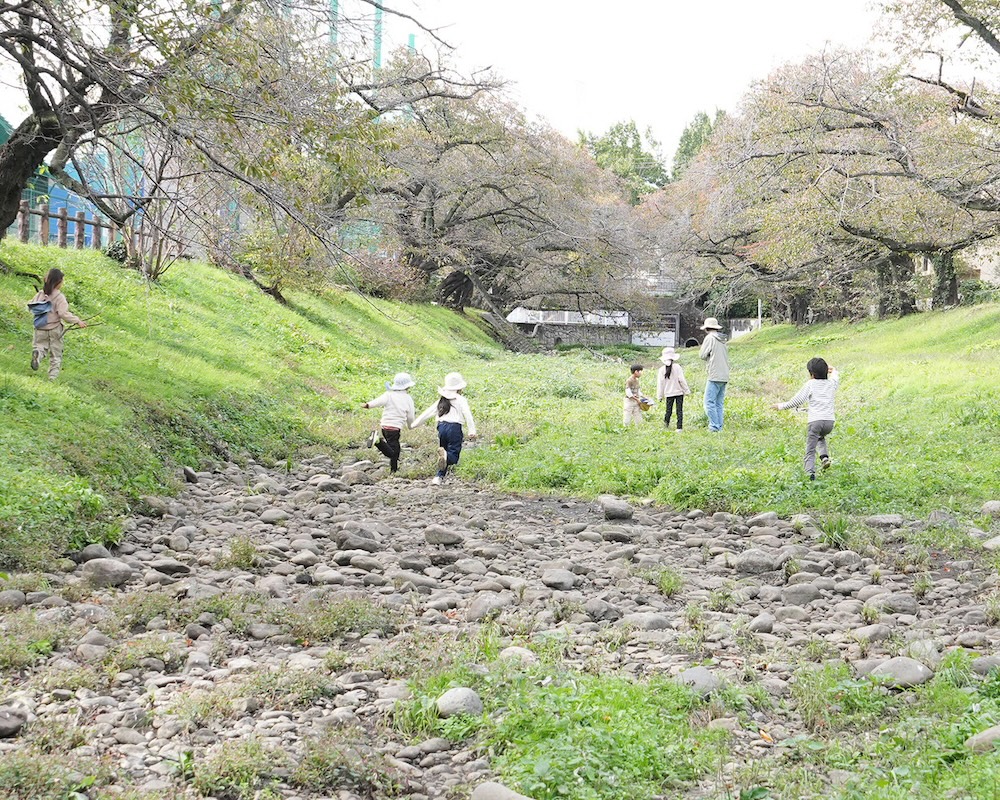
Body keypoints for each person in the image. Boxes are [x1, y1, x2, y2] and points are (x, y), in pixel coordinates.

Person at [773, 357, 840, 481]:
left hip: (815, 422)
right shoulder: (831, 384)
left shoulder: (811, 384)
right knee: (820, 436)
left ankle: (810, 474)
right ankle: (824, 457)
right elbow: (836, 378)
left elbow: (798, 400)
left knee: (810, 449)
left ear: (812, 374)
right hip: (829, 422)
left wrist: (781, 406)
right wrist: (834, 370)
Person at [412, 372, 477, 485]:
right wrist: (472, 431)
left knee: (443, 452)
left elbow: (427, 413)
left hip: (441, 427)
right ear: (460, 388)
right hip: (454, 428)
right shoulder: (461, 399)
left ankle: (438, 477)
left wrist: (414, 425)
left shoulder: (441, 400)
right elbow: (468, 415)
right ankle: (445, 460)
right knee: (453, 455)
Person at [29, 268, 87, 379]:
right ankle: (52, 377)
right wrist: (77, 320)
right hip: (55, 329)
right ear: (58, 282)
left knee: (40, 347)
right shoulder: (60, 297)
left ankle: (38, 354)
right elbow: (63, 313)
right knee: (56, 354)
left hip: (40, 327)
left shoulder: (40, 294)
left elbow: (32, 306)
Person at [361, 372, 416, 474]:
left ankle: (393, 470)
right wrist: (410, 425)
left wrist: (368, 405)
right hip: (395, 428)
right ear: (408, 386)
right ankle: (378, 441)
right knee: (393, 452)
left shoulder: (389, 394)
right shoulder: (408, 399)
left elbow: (378, 401)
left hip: (385, 426)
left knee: (394, 449)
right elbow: (410, 415)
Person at [698, 317, 730, 432]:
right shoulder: (723, 339)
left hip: (714, 374)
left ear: (706, 328)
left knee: (708, 403)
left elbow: (702, 355)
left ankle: (714, 426)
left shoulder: (710, 338)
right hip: (724, 374)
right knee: (718, 403)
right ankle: (719, 426)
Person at [656, 347, 691, 431]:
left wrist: (660, 396)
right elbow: (681, 380)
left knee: (668, 410)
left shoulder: (661, 370)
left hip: (668, 393)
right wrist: (687, 391)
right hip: (679, 393)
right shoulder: (677, 367)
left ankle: (666, 424)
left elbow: (660, 384)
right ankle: (679, 427)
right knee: (679, 410)